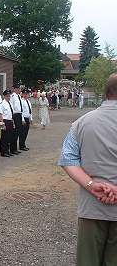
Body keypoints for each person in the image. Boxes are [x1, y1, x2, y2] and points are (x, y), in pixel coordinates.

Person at [58, 74, 117, 266]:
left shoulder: (81, 123)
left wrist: (92, 185)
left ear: (106, 93)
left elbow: (68, 159)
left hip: (92, 207)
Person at [0, 89, 14, 157]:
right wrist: (2, 123)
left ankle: (7, 150)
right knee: (4, 137)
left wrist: (13, 122)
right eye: (7, 96)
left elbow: (11, 113)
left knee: (9, 137)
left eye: (9, 96)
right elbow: (0, 114)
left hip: (10, 121)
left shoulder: (9, 103)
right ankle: (3, 152)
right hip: (5, 121)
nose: (8, 97)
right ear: (4, 96)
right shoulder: (2, 104)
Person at [10, 84, 23, 155]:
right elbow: (12, 107)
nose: (19, 90)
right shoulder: (13, 96)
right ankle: (12, 149)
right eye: (17, 89)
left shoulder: (18, 96)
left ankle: (15, 148)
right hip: (15, 115)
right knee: (14, 133)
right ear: (14, 89)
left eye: (19, 89)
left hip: (19, 115)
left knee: (18, 132)